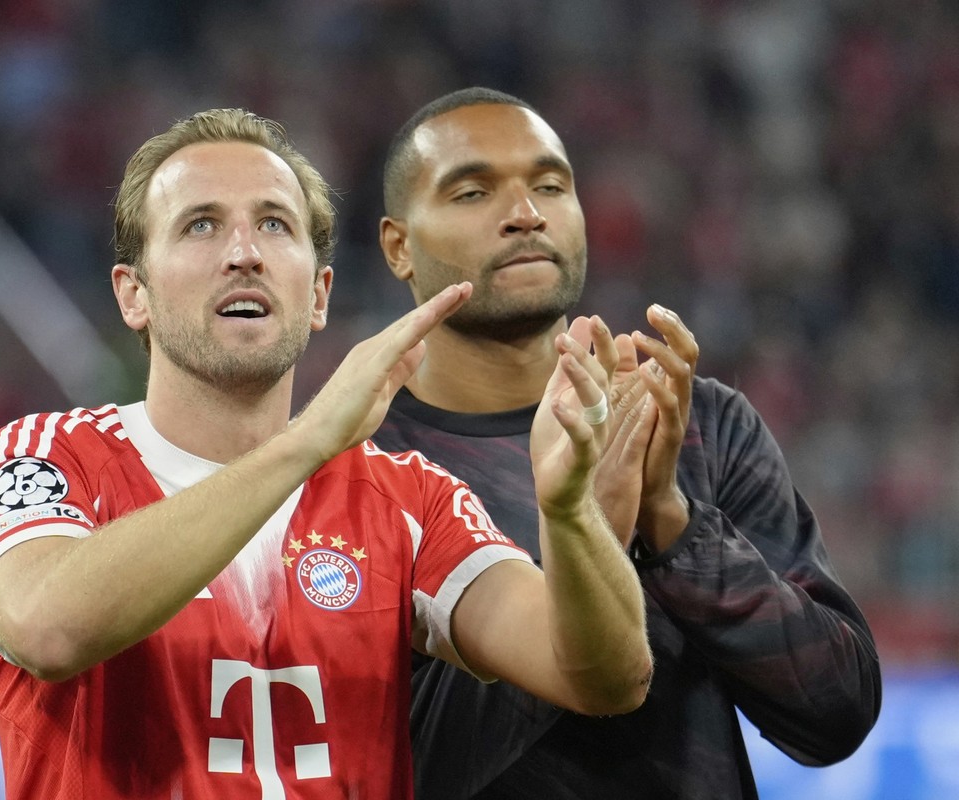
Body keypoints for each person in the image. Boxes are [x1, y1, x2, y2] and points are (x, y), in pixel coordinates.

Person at [0, 107, 653, 799]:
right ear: (133, 294)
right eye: (201, 224)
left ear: (318, 294)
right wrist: (307, 442)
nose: (244, 253)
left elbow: (602, 678)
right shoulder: (47, 457)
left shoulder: (409, 498)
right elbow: (48, 630)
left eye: (274, 224)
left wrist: (569, 512)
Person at [372, 87, 882, 800]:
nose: (526, 213)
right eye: (472, 192)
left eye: (551, 185)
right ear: (399, 245)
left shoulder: (698, 424)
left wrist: (670, 519)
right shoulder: (361, 473)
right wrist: (593, 524)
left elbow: (837, 714)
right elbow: (392, 772)